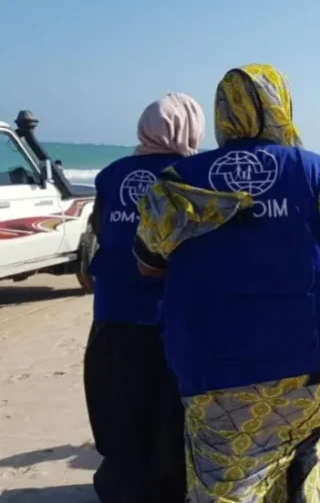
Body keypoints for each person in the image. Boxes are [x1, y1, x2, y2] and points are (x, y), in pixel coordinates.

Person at [133, 63, 320, 503]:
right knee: (300, 468)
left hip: (214, 367)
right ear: (279, 107)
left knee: (223, 486)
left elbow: (148, 264)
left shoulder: (173, 186)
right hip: (307, 365)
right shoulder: (317, 175)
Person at [84, 93, 204, 502]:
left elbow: (100, 228)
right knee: (169, 418)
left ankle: (119, 488)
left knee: (118, 411)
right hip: (169, 319)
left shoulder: (112, 174)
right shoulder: (191, 174)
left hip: (112, 314)